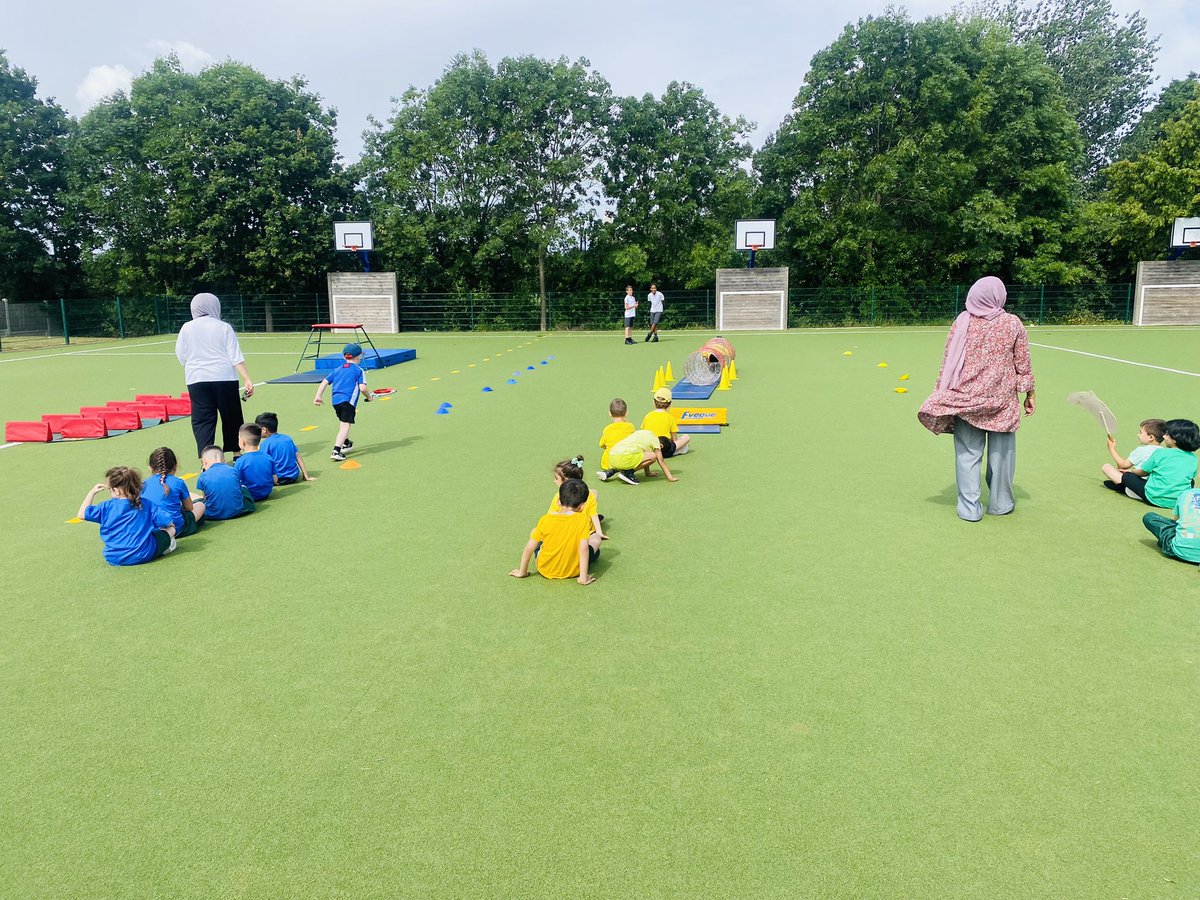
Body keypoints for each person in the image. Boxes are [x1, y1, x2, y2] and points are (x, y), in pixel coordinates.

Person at [917, 276, 1035, 521]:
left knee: (967, 455)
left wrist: (942, 390)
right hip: (1002, 400)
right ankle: (1001, 503)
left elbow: (948, 362)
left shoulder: (962, 322)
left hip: (966, 399)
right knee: (1002, 455)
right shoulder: (1012, 323)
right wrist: (1029, 392)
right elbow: (1022, 362)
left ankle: (969, 509)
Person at [175, 292, 255, 458]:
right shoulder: (223, 327)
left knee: (202, 420)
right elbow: (235, 356)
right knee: (231, 415)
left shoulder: (186, 327)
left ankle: (207, 459)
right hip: (224, 378)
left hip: (196, 379)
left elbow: (181, 356)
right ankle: (236, 453)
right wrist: (247, 379)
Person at [510, 478, 602, 585]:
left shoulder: (545, 519)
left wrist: (522, 572)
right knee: (596, 538)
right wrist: (583, 578)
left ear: (558, 501)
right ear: (582, 506)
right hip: (573, 570)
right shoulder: (583, 520)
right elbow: (584, 548)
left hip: (545, 569)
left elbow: (529, 547)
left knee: (535, 534)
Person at [78, 466, 177, 565]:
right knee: (171, 528)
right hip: (144, 554)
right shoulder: (146, 504)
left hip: (115, 557)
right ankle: (168, 545)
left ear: (116, 490)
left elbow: (81, 514)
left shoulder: (105, 507)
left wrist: (92, 492)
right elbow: (167, 521)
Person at [1101, 418, 1200, 507]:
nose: (1164, 437)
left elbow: (1143, 472)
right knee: (1190, 481)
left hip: (1153, 497)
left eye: (1167, 434)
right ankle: (1124, 487)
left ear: (1175, 439)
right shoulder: (1193, 458)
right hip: (1177, 501)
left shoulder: (1161, 453)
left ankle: (1123, 487)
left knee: (1128, 477)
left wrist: (1129, 472)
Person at [314, 342, 373, 461]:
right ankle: (336, 450)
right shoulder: (359, 370)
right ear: (358, 357)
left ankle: (345, 442)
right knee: (346, 425)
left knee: (343, 422)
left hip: (335, 401)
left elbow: (325, 382)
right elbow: (362, 388)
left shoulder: (337, 369)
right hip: (348, 401)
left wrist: (318, 396)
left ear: (344, 357)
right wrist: (369, 397)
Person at [143, 446, 205, 537]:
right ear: (175, 466)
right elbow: (189, 508)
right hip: (176, 527)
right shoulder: (178, 482)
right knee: (200, 505)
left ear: (150, 468)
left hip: (152, 529)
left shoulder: (143, 484)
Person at [1101, 418, 1165, 497]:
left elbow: (1123, 465)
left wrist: (1111, 448)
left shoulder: (1142, 450)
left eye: (1140, 433)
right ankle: (1121, 486)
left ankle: (1122, 487)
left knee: (1106, 467)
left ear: (1151, 437)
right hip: (1151, 486)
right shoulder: (1164, 452)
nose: (1138, 435)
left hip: (1136, 486)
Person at [548, 456, 606, 540]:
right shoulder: (590, 495)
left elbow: (550, 516)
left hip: (566, 530)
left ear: (566, 480)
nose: (555, 481)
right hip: (586, 530)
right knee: (594, 492)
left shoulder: (558, 496)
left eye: (556, 478)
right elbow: (593, 514)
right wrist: (599, 532)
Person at [598, 428, 678, 485]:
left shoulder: (647, 433)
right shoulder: (656, 443)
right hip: (623, 459)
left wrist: (648, 473)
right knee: (654, 456)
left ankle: (609, 472)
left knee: (641, 455)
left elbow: (644, 456)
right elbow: (661, 461)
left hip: (612, 457)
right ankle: (628, 473)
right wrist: (670, 478)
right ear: (661, 446)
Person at [195, 445, 255, 520]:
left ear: (204, 462)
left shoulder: (203, 476)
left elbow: (205, 498)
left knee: (199, 503)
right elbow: (239, 490)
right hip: (238, 511)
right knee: (244, 488)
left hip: (213, 515)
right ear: (224, 461)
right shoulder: (233, 470)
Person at [1142, 487, 1200, 564]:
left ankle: (1166, 541)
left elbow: (1176, 519)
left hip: (1178, 551)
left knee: (1149, 517)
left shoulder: (1186, 493)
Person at [255, 412, 313, 484]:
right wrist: (306, 475)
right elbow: (298, 456)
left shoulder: (265, 444)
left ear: (264, 430)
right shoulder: (287, 438)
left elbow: (262, 463)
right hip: (293, 476)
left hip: (278, 479)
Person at [640, 387, 690, 458]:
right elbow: (674, 439)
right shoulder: (670, 417)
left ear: (653, 402)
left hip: (650, 450)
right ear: (670, 404)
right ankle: (678, 450)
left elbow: (643, 434)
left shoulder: (648, 416)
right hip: (665, 450)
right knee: (686, 437)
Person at [234, 423, 276, 501]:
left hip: (249, 495)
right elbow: (275, 479)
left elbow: (236, 482)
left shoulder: (240, 461)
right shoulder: (267, 457)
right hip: (266, 492)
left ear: (243, 442)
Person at [597, 398, 635, 479]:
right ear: (626, 413)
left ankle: (610, 472)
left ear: (610, 413)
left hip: (608, 462)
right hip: (624, 460)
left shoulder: (607, 429)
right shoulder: (630, 427)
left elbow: (602, 445)